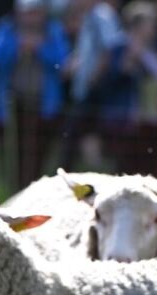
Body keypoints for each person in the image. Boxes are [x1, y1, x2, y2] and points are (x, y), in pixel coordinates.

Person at [0, 0, 69, 190]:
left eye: (35, 12)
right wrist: (19, 48)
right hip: (13, 104)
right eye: (27, 12)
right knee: (13, 155)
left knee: (39, 154)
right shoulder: (7, 29)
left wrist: (39, 49)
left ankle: (35, 189)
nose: (30, 17)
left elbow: (62, 62)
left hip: (44, 105)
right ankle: (14, 190)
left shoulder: (53, 31)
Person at [102, 1, 157, 175]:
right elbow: (114, 77)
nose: (154, 28)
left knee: (151, 168)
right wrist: (132, 56)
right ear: (137, 25)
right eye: (150, 23)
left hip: (152, 118)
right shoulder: (118, 46)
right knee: (125, 168)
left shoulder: (155, 48)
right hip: (125, 120)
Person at [60, 0, 123, 169]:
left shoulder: (102, 15)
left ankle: (86, 172)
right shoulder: (89, 16)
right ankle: (91, 169)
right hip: (85, 88)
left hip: (95, 89)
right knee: (84, 133)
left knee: (77, 134)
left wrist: (95, 78)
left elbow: (109, 49)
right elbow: (87, 50)